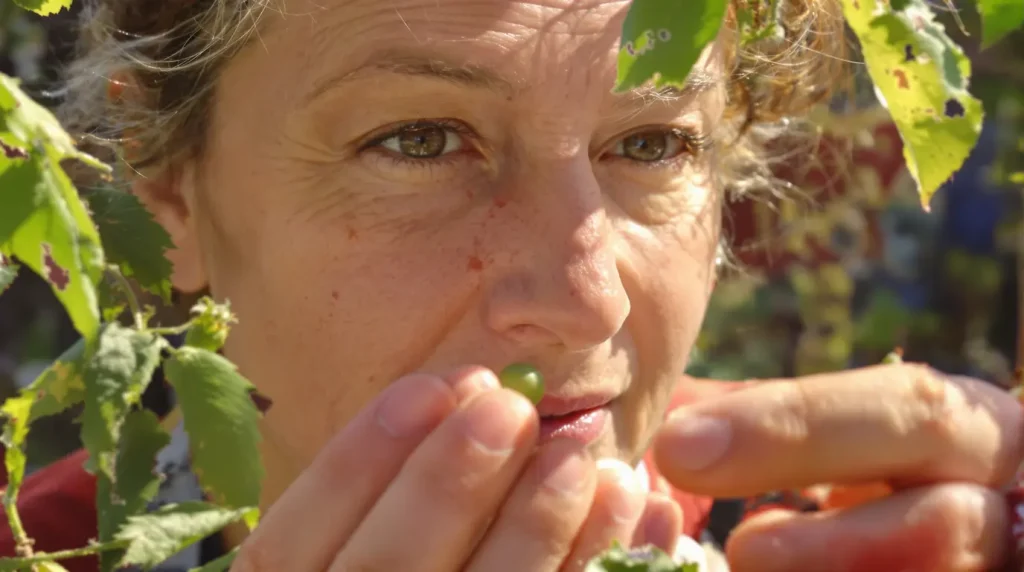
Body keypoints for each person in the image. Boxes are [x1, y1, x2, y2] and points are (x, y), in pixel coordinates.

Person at [2, 0, 1022, 570]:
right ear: (171, 187)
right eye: (419, 139)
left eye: (652, 142)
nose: (590, 300)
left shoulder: (847, 532)